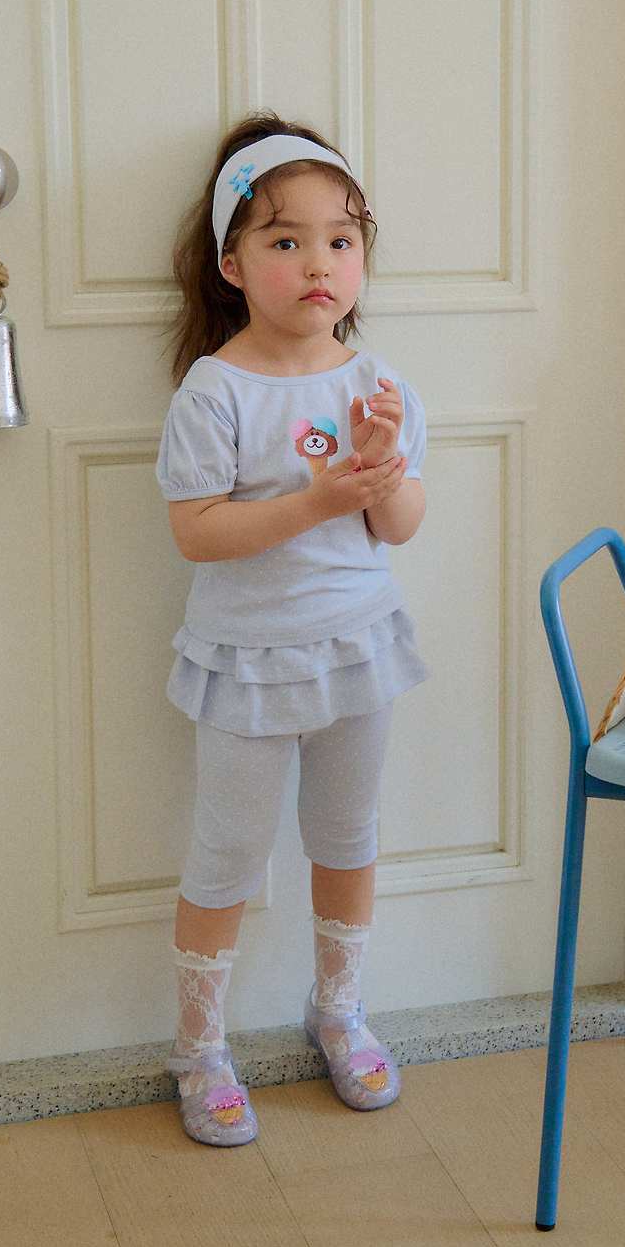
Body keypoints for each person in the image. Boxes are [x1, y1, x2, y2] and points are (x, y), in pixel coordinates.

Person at [156, 112, 428, 1146]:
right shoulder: (215, 391)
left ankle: (338, 1011)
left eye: (340, 240)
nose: (319, 264)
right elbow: (198, 532)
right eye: (286, 240)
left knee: (347, 839)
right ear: (232, 264)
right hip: (249, 664)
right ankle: (199, 1049)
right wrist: (315, 501)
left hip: (357, 646)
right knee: (227, 853)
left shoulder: (376, 384)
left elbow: (400, 526)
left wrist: (383, 473)